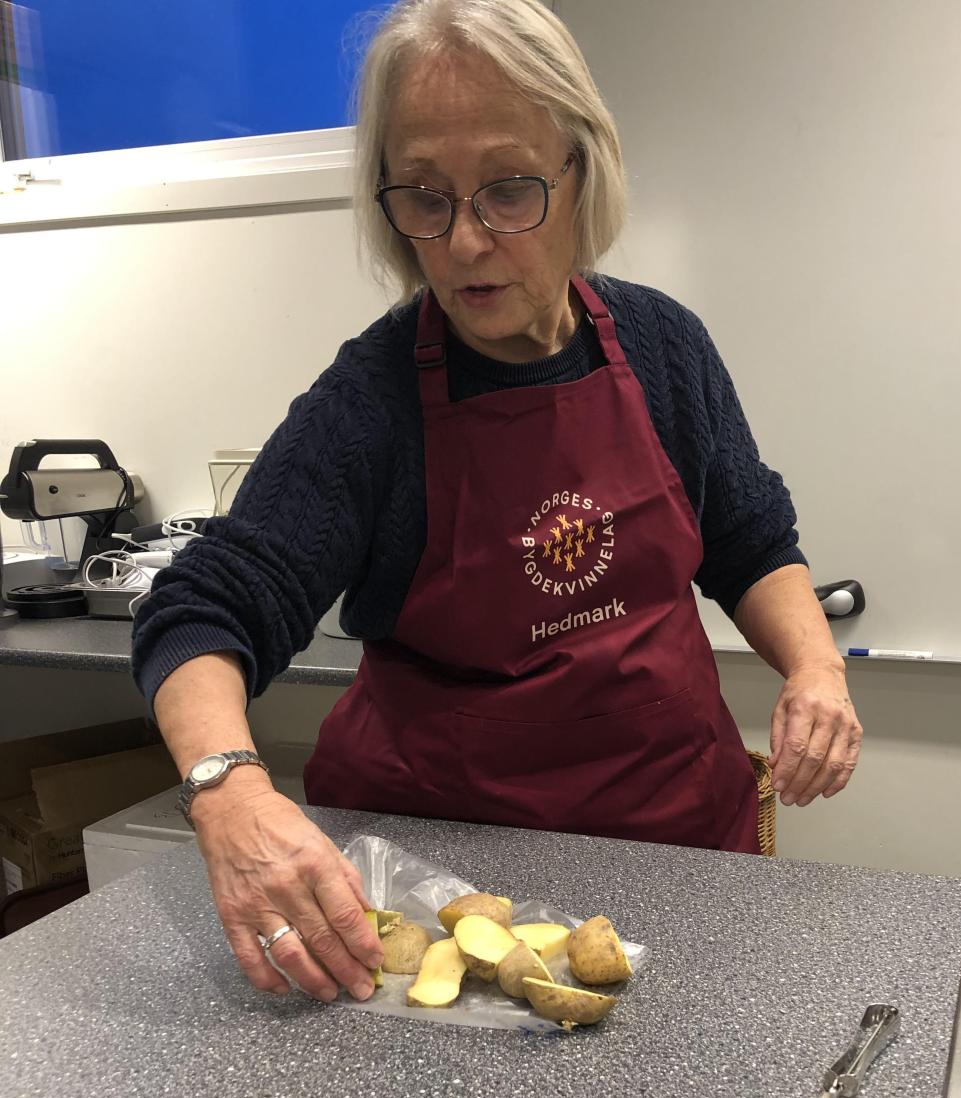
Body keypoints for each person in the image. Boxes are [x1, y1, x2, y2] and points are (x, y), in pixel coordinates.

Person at [132, 0, 862, 1005]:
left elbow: (749, 539)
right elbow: (204, 606)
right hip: (454, 889)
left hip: (681, 855)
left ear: (581, 173)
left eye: (509, 190)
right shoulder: (371, 404)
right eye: (425, 197)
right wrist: (227, 791)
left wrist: (815, 667)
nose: (466, 241)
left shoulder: (664, 347)